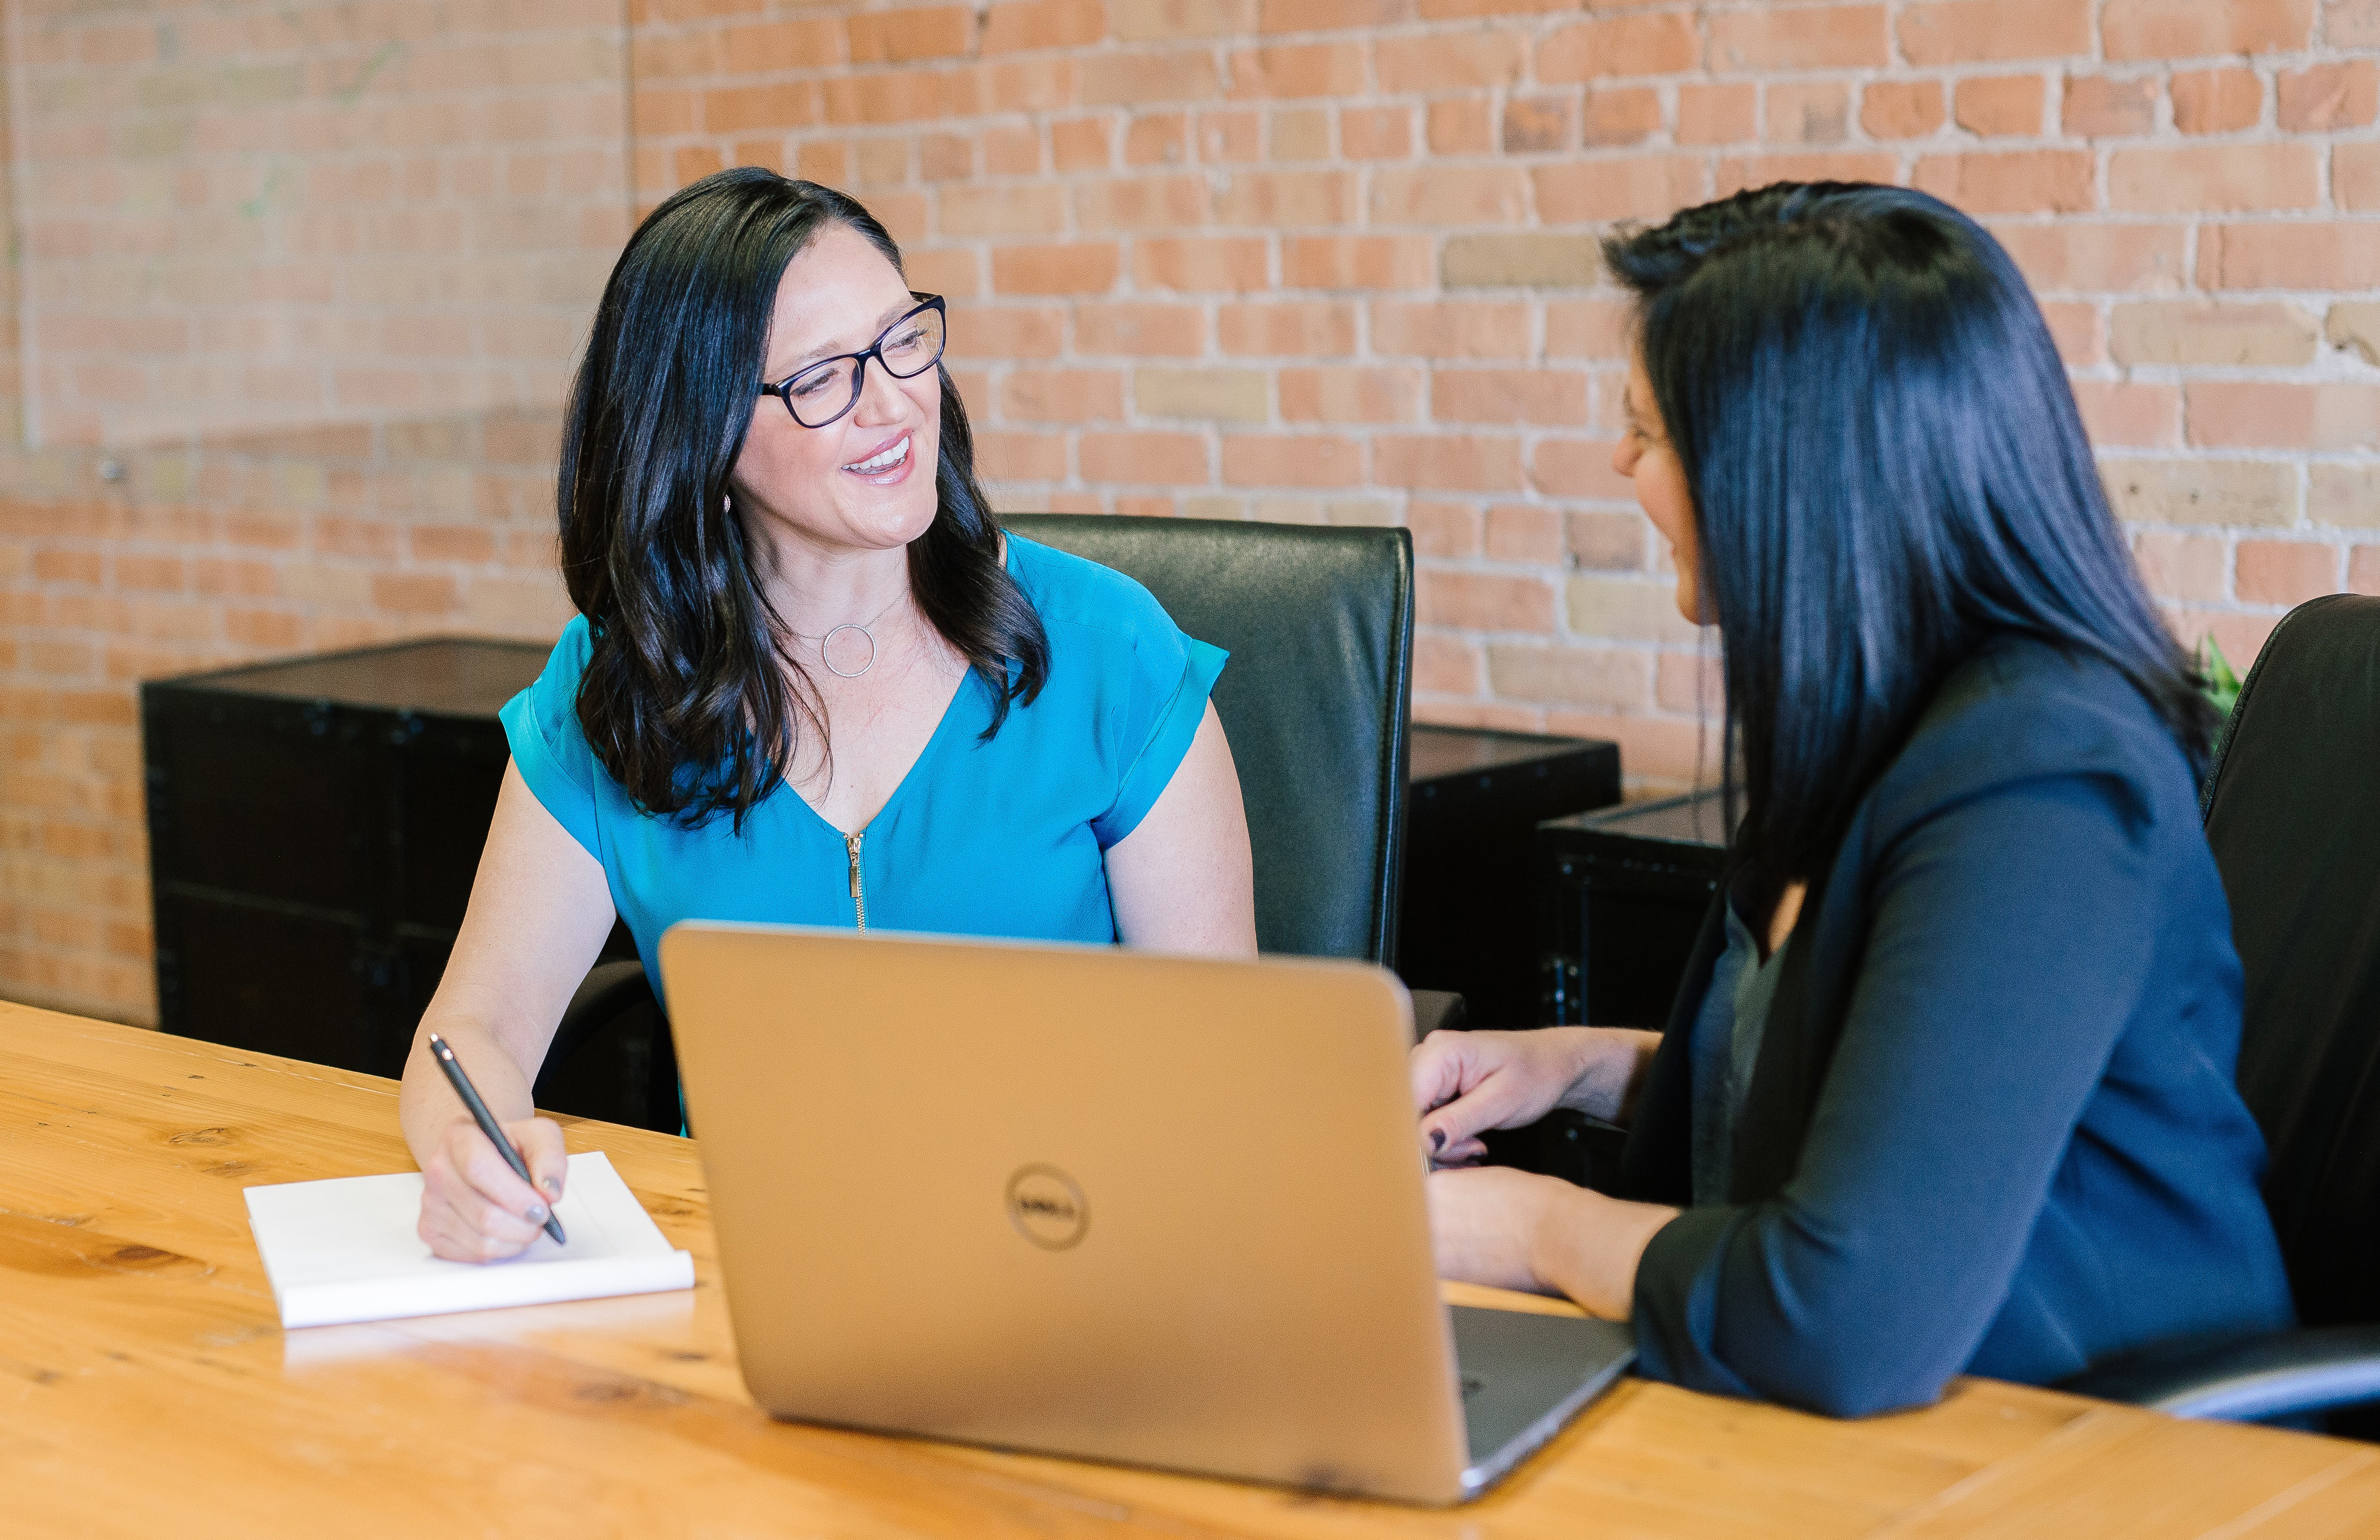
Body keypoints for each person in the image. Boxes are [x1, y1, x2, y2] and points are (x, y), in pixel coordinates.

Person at [1412, 183, 2293, 1417]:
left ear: (1786, 475)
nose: (1619, 462)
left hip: (2092, 1443)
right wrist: (1577, 1065)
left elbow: (1842, 1314)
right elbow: (1872, 1083)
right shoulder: (1877, 725)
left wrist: (1532, 1228)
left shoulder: (2042, 784)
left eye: (1648, 431)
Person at [402, 170, 1256, 1261]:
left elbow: (1223, 1062)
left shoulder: (1107, 650)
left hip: (1074, 1253)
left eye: (905, 341)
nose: (895, 400)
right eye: (821, 378)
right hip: (753, 1274)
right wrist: (467, 1157)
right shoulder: (619, 689)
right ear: (702, 435)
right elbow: (470, 1027)